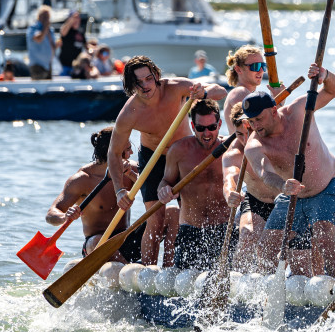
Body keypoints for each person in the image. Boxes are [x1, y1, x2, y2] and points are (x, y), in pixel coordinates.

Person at [109, 56, 228, 266]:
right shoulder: (129, 112)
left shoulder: (176, 87)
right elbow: (113, 152)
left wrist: (204, 93)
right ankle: (148, 272)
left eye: (148, 78)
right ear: (131, 85)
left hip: (185, 156)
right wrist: (120, 190)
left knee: (192, 214)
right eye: (139, 82)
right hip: (153, 159)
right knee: (155, 219)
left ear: (156, 75)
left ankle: (183, 267)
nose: (146, 86)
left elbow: (221, 91)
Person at [242, 61, 335, 277]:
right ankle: (267, 298)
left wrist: (324, 75)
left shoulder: (299, 110)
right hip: (291, 196)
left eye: (259, 119)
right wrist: (283, 185)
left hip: (327, 186)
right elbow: (265, 174)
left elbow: (334, 90)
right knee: (267, 248)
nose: (255, 126)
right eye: (250, 122)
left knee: (323, 238)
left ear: (273, 110)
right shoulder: (254, 145)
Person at [46, 126, 143, 262]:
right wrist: (64, 217)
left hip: (125, 240)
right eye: (127, 149)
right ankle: (128, 269)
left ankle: (168, 269)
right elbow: (50, 215)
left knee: (170, 212)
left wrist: (131, 175)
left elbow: (152, 191)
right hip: (96, 244)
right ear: (114, 152)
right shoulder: (82, 179)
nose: (132, 152)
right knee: (98, 240)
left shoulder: (131, 168)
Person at [156, 99, 232, 270]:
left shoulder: (231, 149)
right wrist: (164, 190)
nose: (206, 133)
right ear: (192, 126)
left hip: (224, 229)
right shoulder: (178, 150)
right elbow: (165, 181)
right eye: (200, 128)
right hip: (191, 230)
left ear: (219, 124)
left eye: (212, 127)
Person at [222, 101, 282, 272]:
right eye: (239, 134)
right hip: (257, 200)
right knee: (247, 237)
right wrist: (230, 194)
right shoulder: (234, 154)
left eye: (249, 132)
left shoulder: (273, 141)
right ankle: (241, 285)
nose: (245, 139)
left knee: (278, 250)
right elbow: (229, 179)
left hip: (285, 201)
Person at [223, 45, 284, 134]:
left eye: (263, 66)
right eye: (255, 66)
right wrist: (279, 101)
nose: (261, 71)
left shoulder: (247, 93)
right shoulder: (240, 92)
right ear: (238, 69)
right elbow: (264, 125)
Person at [26, 6, 57, 80]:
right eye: (44, 16)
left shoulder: (50, 31)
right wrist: (45, 27)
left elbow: (52, 46)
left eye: (47, 16)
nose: (46, 18)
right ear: (39, 16)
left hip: (48, 65)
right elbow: (39, 39)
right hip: (37, 66)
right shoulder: (33, 28)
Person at [57, 10, 86, 76]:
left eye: (78, 17)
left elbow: (85, 44)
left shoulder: (80, 32)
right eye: (74, 18)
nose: (76, 19)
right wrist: (71, 20)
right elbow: (63, 32)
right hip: (65, 66)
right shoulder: (67, 30)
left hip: (77, 66)